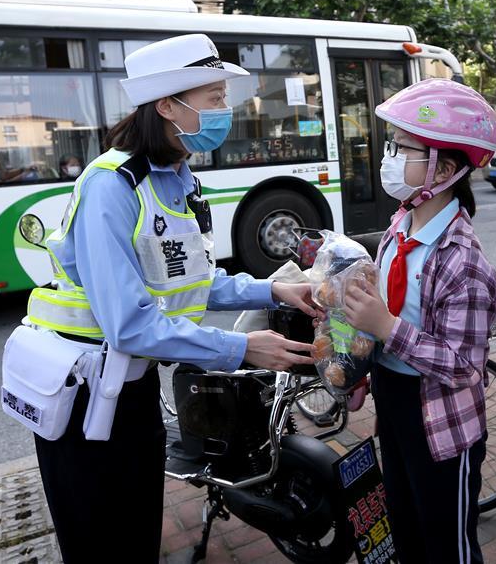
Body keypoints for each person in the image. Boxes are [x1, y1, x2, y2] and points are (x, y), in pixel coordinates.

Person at [24, 34, 319, 563]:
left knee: (139, 535)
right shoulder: (112, 187)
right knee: (98, 544)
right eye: (214, 99)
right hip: (81, 400)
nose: (226, 112)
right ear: (167, 105)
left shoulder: (178, 177)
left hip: (130, 392)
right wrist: (241, 349)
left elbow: (185, 282)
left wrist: (272, 287)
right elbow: (130, 325)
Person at [342, 79, 496, 564]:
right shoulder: (399, 226)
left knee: (447, 544)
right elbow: (384, 314)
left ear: (446, 167)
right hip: (393, 404)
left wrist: (387, 328)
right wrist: (363, 368)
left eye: (401, 147)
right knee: (406, 526)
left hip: (440, 424)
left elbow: (463, 368)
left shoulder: (464, 263)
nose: (389, 156)